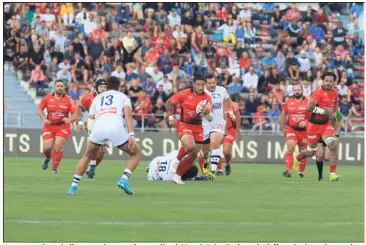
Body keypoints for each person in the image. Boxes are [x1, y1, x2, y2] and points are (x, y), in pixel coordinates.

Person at [67, 76, 141, 195]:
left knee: (86, 156)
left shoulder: (97, 98)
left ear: (107, 86)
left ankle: (73, 187)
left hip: (98, 128)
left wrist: (91, 133)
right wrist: (131, 134)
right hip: (115, 128)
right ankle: (124, 179)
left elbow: (91, 117)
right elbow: (128, 116)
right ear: (119, 86)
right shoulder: (123, 97)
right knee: (136, 154)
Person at [165, 73, 213, 185]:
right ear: (193, 85)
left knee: (193, 154)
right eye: (198, 85)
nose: (200, 87)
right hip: (184, 124)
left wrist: (208, 112)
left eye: (202, 85)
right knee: (190, 145)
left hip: (198, 127)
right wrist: (171, 116)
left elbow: (210, 118)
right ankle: (176, 161)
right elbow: (169, 103)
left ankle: (177, 177)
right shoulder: (185, 94)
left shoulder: (207, 98)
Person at [294, 71, 340, 182]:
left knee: (333, 145)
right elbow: (309, 108)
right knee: (312, 153)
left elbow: (334, 110)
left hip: (326, 126)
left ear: (334, 82)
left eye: (331, 81)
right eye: (326, 81)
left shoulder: (335, 93)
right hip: (313, 126)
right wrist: (325, 112)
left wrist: (335, 125)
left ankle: (332, 174)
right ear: (323, 81)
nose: (328, 83)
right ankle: (298, 158)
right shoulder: (317, 93)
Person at [37, 79, 79, 173]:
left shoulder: (69, 100)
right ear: (54, 87)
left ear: (64, 87)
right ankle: (47, 158)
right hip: (49, 126)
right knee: (46, 148)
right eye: (58, 86)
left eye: (61, 86)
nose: (60, 88)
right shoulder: (48, 97)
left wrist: (69, 120)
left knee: (58, 145)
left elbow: (75, 114)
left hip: (63, 127)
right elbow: (39, 109)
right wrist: (44, 119)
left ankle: (54, 168)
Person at [198, 74, 233, 179]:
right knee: (205, 151)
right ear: (206, 83)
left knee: (215, 144)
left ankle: (212, 172)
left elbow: (228, 100)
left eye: (213, 82)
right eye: (209, 83)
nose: (212, 85)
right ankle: (205, 159)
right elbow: (197, 107)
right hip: (205, 123)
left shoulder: (222, 90)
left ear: (216, 81)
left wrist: (229, 110)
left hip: (218, 123)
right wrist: (201, 110)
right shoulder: (201, 92)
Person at [76, 79, 108, 179]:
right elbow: (78, 106)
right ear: (96, 88)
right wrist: (79, 120)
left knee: (102, 152)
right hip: (92, 124)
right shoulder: (89, 97)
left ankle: (91, 168)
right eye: (101, 87)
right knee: (94, 147)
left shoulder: (109, 98)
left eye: (105, 87)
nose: (103, 89)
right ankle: (92, 167)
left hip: (105, 125)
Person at [279, 84, 310, 178]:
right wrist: (282, 127)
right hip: (292, 129)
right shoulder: (288, 102)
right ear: (293, 91)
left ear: (302, 90)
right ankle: (288, 170)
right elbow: (283, 115)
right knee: (290, 146)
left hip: (304, 131)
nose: (297, 91)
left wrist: (306, 121)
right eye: (295, 90)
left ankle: (301, 172)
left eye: (298, 90)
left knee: (303, 152)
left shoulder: (308, 101)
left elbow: (314, 116)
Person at [315, 111, 344, 182]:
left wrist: (337, 133)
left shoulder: (332, 110)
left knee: (327, 158)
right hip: (317, 133)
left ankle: (332, 173)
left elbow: (341, 119)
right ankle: (320, 176)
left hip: (328, 133)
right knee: (319, 155)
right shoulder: (316, 109)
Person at [216, 102, 241, 176]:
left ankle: (227, 164)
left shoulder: (232, 105)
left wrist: (237, 130)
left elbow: (237, 117)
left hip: (229, 130)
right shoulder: (214, 102)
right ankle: (219, 170)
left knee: (226, 152)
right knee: (215, 150)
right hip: (217, 129)